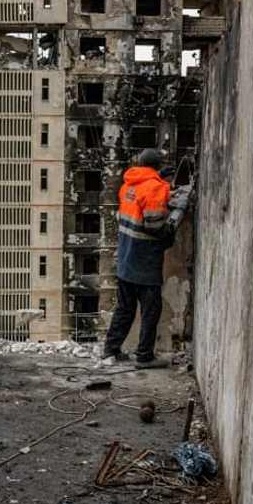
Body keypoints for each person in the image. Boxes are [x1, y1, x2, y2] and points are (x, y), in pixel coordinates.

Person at [103, 148, 173, 364]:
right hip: (145, 262)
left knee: (124, 309)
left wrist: (158, 179)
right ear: (158, 166)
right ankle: (144, 356)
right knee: (151, 311)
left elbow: (139, 203)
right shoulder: (155, 188)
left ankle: (110, 350)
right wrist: (171, 228)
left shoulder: (128, 185)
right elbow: (155, 225)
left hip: (126, 260)